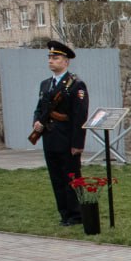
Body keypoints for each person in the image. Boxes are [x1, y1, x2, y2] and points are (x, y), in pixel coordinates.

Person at [32, 40, 88, 226]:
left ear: (66, 61)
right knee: (56, 178)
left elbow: (80, 116)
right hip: (49, 138)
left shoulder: (75, 85)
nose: (51, 61)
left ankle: (76, 214)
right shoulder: (45, 84)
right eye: (49, 57)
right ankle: (64, 213)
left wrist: (77, 144)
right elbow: (39, 109)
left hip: (66, 139)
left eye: (55, 58)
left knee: (71, 177)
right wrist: (37, 123)